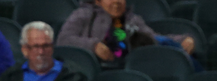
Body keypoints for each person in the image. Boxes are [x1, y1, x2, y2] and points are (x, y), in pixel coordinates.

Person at [56, 0, 198, 67]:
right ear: (98, 1)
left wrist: (183, 40)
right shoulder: (83, 14)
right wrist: (93, 45)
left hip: (124, 70)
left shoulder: (132, 20)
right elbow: (63, 40)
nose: (117, 1)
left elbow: (153, 39)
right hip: (92, 70)